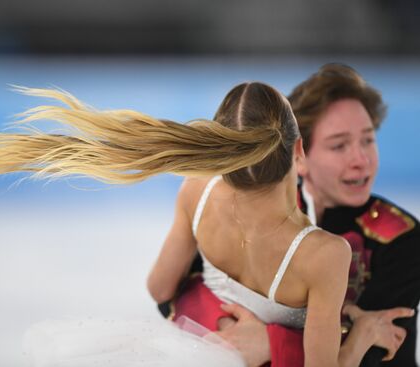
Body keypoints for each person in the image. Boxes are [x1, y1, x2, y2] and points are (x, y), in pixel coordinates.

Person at [0, 82, 380, 366]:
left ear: (218, 156)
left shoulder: (197, 192)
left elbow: (160, 287)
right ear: (299, 151)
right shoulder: (324, 254)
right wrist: (361, 337)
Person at [164, 64, 420, 367]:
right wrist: (227, 326)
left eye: (368, 140)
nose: (361, 160)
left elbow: (386, 350)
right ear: (299, 155)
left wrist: (272, 343)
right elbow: (180, 293)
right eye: (339, 145)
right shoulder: (258, 205)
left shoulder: (401, 237)